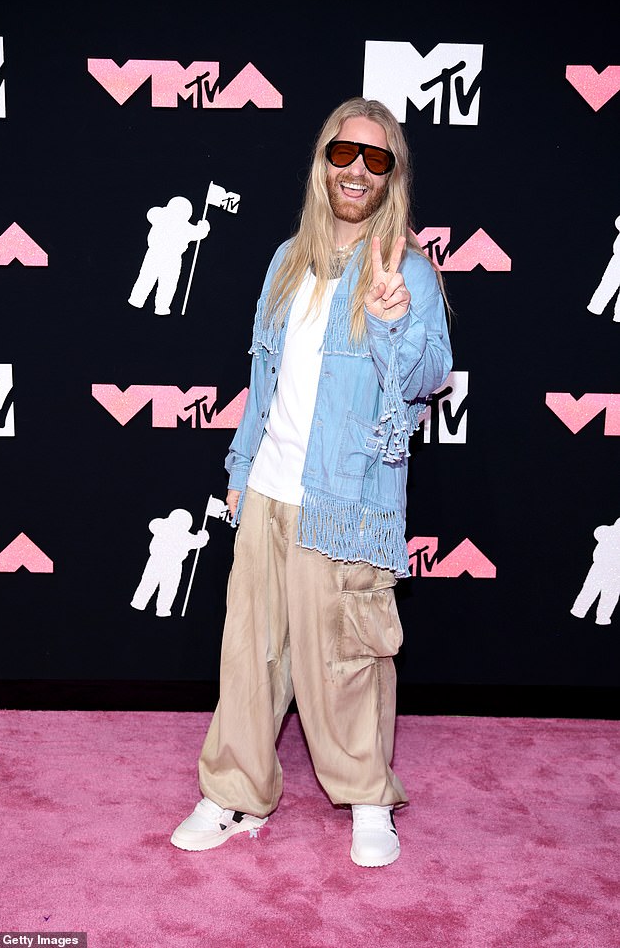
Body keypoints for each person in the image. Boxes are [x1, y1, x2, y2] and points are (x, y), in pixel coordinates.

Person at [171, 97, 452, 867]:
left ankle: (367, 797)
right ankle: (233, 789)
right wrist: (238, 469)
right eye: (344, 154)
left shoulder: (408, 272)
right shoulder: (284, 261)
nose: (357, 170)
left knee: (348, 657)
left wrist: (392, 317)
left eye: (376, 159)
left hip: (346, 502)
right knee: (250, 651)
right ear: (323, 160)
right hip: (267, 490)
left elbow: (431, 377)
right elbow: (262, 384)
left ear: (391, 177)